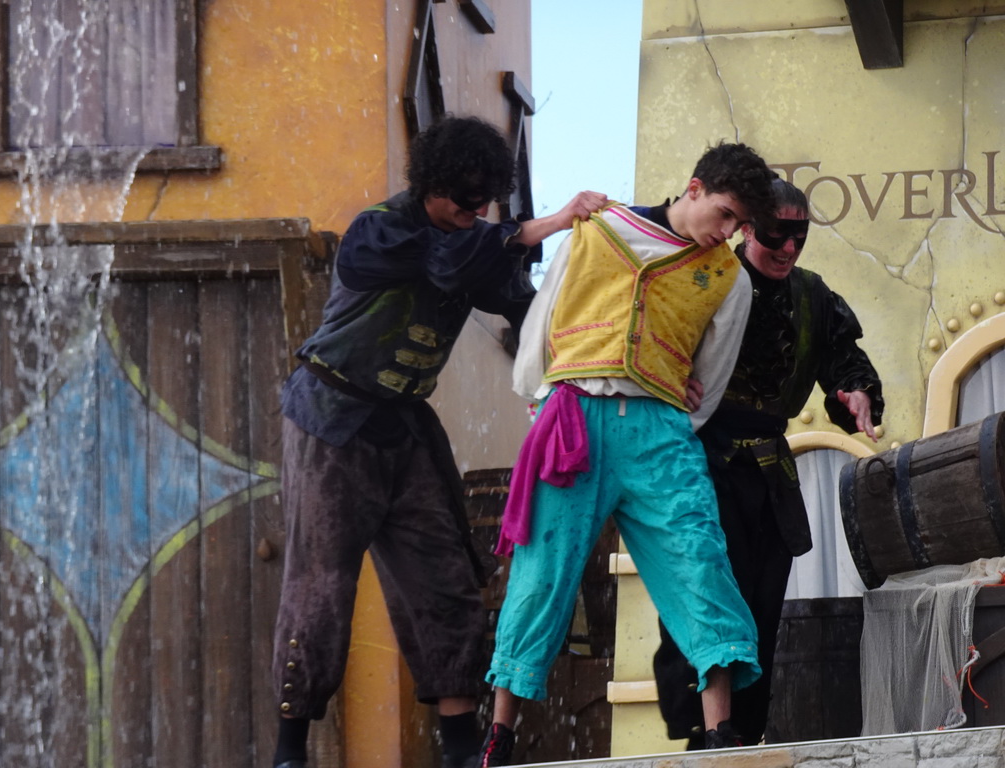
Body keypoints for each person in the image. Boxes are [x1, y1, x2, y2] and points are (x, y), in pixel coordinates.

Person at [269, 114, 607, 768]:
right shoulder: (378, 231)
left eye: (484, 204)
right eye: (463, 200)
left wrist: (599, 360)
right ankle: (290, 753)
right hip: (331, 417)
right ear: (430, 185)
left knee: (446, 580)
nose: (473, 213)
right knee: (321, 589)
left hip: (405, 426)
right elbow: (443, 258)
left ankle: (460, 754)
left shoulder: (480, 241)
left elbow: (527, 312)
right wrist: (545, 223)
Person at [474, 142, 777, 767]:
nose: (727, 234)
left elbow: (710, 380)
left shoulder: (729, 279)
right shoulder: (597, 230)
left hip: (659, 436)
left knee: (700, 563)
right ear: (693, 188)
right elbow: (543, 322)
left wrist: (661, 404)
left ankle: (721, 737)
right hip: (571, 420)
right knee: (541, 574)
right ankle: (499, 740)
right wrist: (543, 401)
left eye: (739, 226)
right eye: (723, 214)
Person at [652, 179, 884, 749]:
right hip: (700, 465)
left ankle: (743, 736)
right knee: (700, 597)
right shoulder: (704, 277)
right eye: (776, 236)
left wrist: (854, 392)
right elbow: (654, 344)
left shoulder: (812, 295)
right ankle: (704, 733)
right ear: (747, 228)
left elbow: (844, 359)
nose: (788, 249)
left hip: (768, 476)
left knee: (759, 612)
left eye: (798, 238)